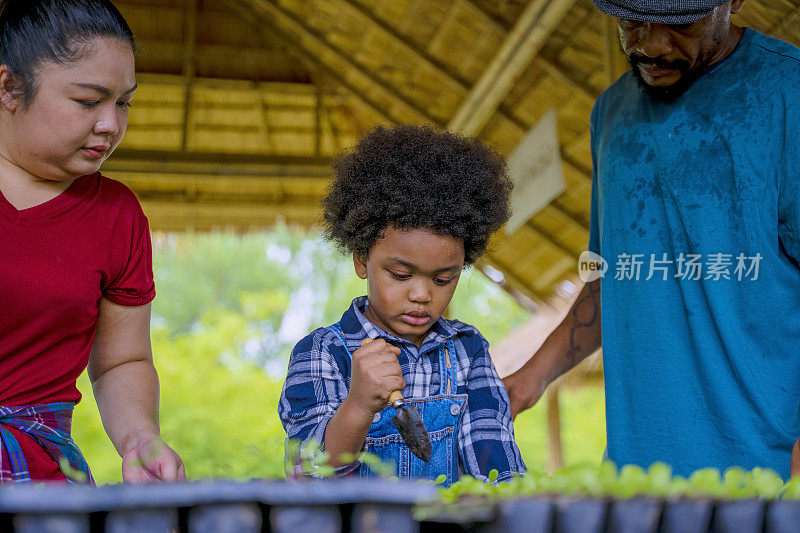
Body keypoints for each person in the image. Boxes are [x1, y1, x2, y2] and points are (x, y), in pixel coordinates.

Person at [504, 0, 800, 479]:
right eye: (633, 19)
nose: (652, 44)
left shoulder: (789, 93)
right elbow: (610, 281)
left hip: (769, 478)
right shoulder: (610, 114)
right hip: (637, 482)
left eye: (681, 22)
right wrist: (528, 381)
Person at [0, 0, 184, 484]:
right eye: (88, 101)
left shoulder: (117, 215)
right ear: (8, 88)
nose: (111, 125)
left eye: (123, 102)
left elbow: (121, 359)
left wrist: (140, 438)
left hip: (39, 473)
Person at [278, 125, 525, 485]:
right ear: (362, 259)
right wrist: (358, 406)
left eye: (443, 279)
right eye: (400, 275)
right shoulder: (322, 353)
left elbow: (497, 466)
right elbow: (308, 475)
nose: (422, 295)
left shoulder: (467, 351)